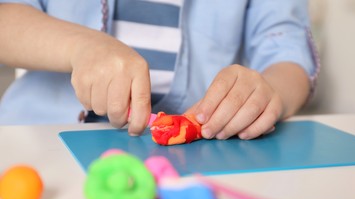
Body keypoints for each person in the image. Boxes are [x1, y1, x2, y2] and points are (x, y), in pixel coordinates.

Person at [0, 0, 319, 140]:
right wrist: (83, 47)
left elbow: (287, 50)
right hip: (38, 137)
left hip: (201, 154)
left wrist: (268, 92)